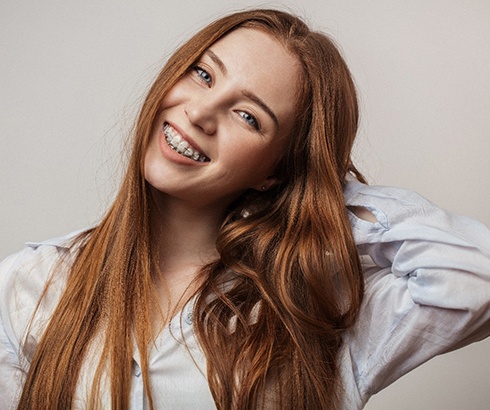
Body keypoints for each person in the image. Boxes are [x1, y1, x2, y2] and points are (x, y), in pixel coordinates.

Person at [0, 8, 489, 410]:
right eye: (203, 74)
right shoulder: (33, 284)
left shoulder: (316, 309)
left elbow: (476, 278)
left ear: (273, 171)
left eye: (248, 116)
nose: (199, 112)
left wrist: (314, 191)